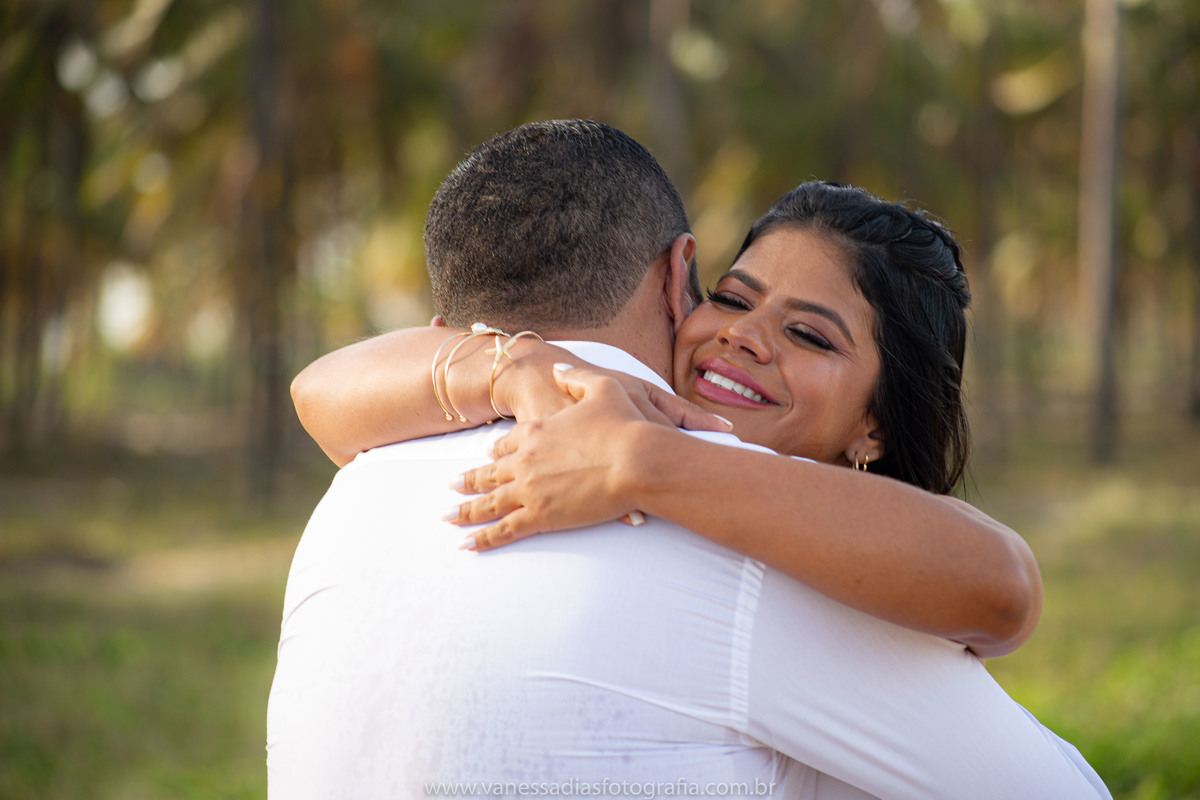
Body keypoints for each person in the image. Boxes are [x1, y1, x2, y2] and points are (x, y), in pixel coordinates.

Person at [269, 119, 1110, 799]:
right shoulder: (737, 567)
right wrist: (519, 370)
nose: (745, 335)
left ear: (876, 427)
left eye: (811, 335)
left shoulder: (362, 487)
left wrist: (642, 457)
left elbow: (1002, 585)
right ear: (683, 279)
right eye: (734, 297)